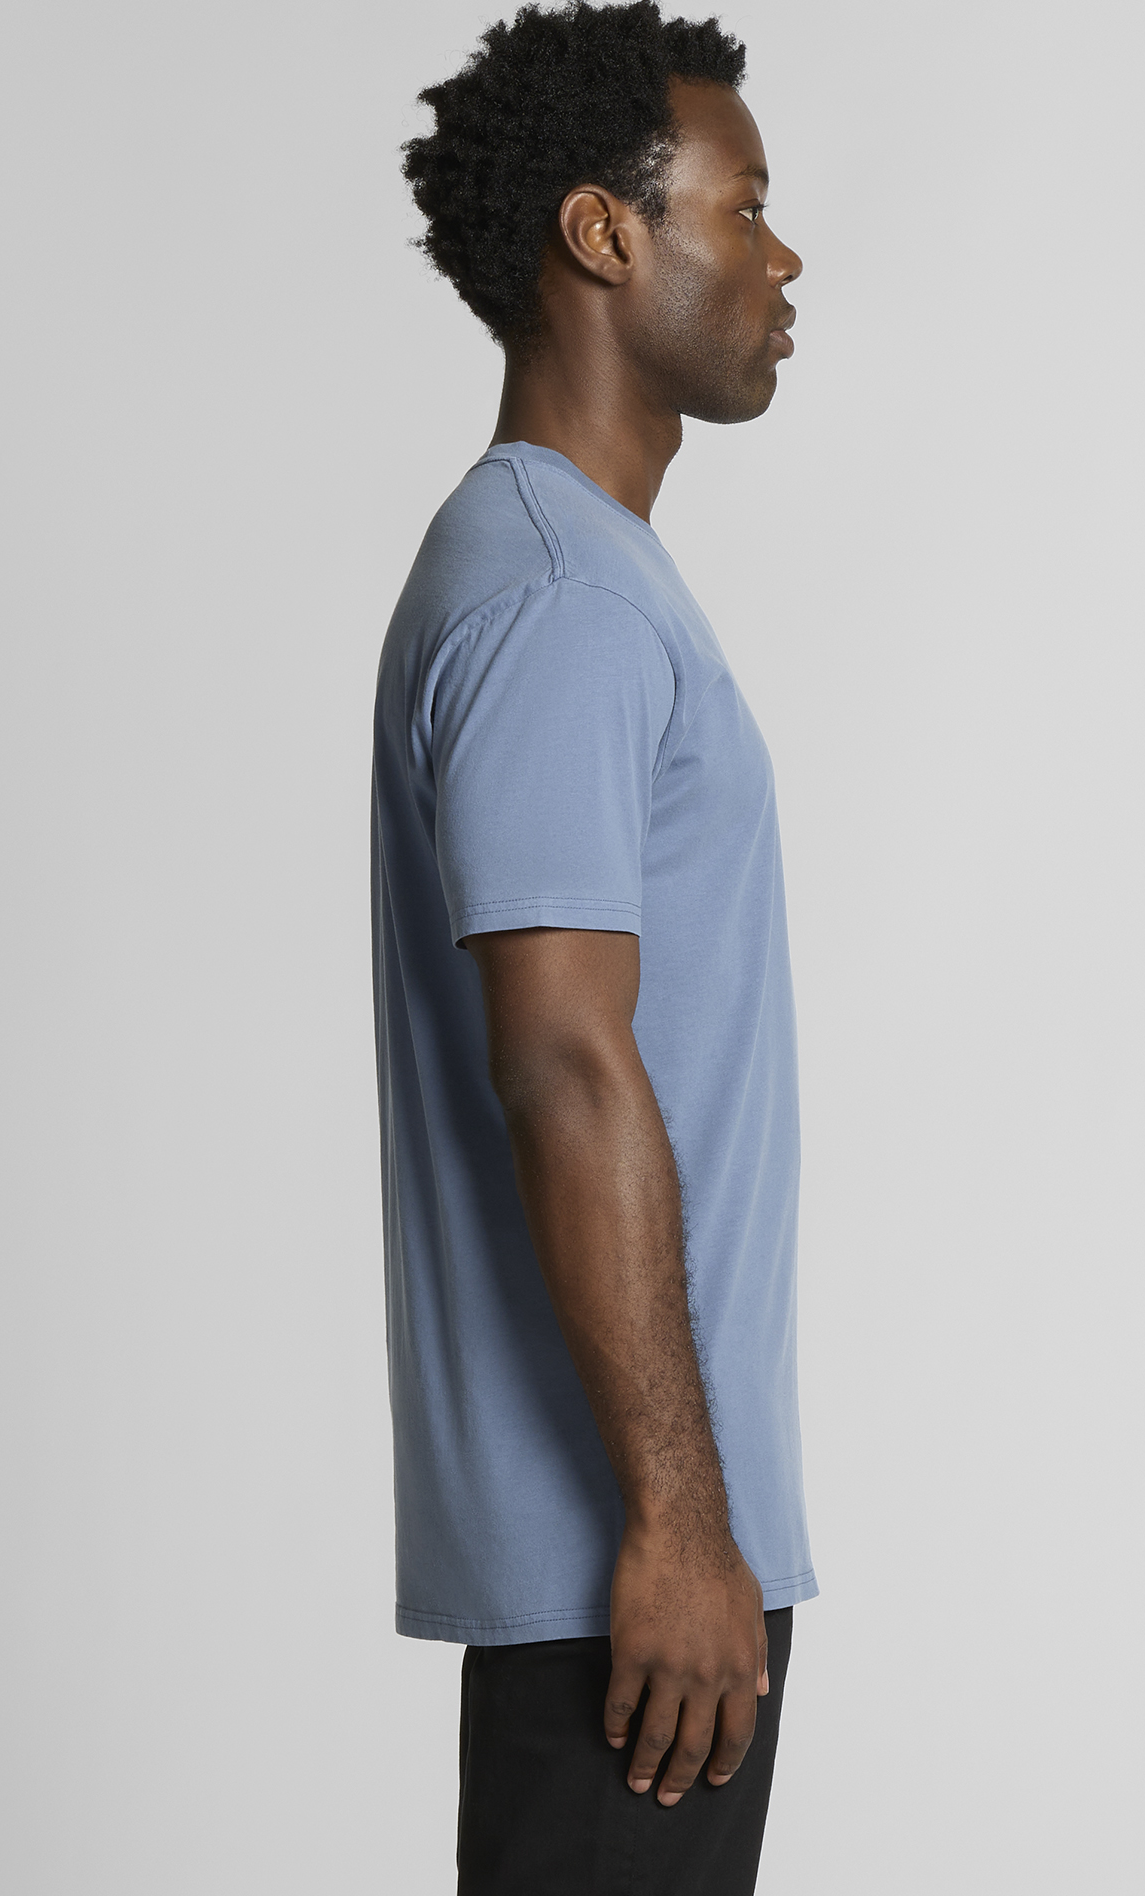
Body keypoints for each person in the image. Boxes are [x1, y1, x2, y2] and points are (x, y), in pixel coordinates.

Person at [371, 4, 812, 1888]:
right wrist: (680, 1525)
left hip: (628, 1561)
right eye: (746, 205)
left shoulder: (576, 571)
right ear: (603, 233)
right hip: (623, 1577)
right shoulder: (558, 598)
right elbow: (561, 1057)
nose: (784, 258)